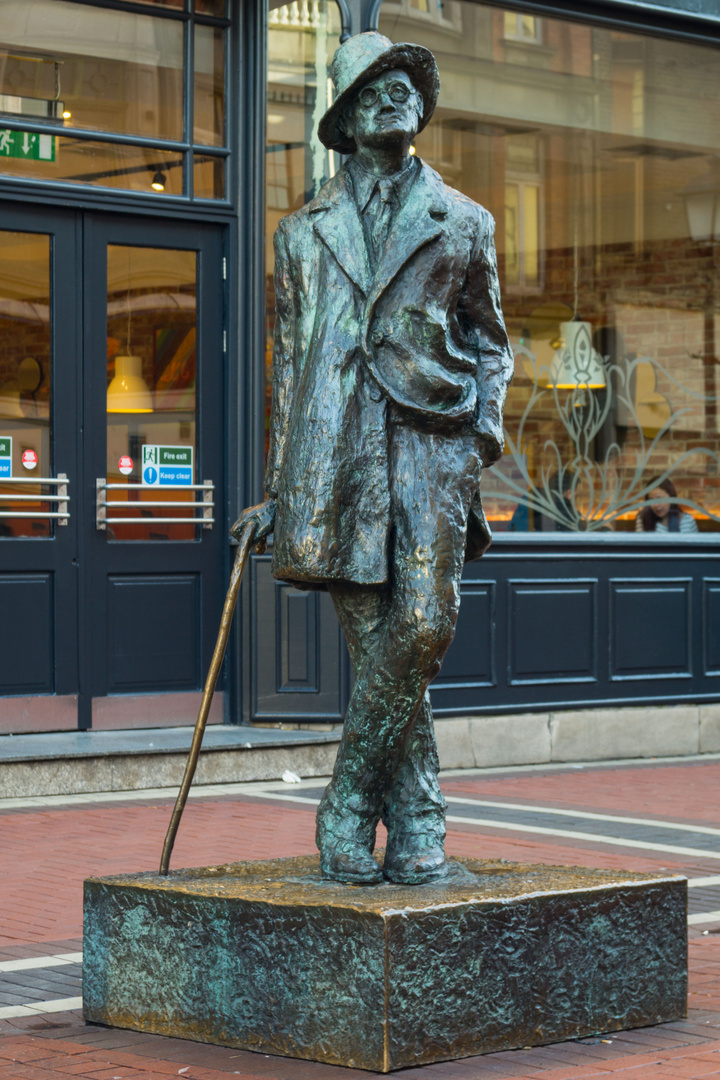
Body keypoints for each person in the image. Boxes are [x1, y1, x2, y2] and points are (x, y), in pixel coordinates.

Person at [233, 32, 513, 885]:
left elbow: (493, 345)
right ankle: (420, 821)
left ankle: (348, 801)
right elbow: (291, 365)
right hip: (336, 455)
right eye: (373, 89)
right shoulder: (301, 233)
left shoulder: (464, 221)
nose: (394, 96)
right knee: (377, 645)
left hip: (435, 441)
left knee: (424, 624)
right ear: (344, 120)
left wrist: (482, 434)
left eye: (404, 85)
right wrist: (285, 490)